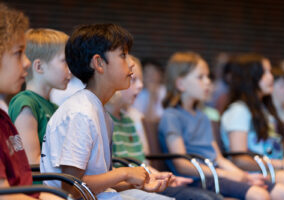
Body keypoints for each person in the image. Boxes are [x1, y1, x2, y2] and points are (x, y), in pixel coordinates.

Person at [40, 24, 174, 200]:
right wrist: (124, 173)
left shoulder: (99, 111)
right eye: (123, 55)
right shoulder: (81, 113)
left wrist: (141, 181)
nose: (131, 63)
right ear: (99, 63)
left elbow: (100, 183)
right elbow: (71, 187)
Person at [159, 51, 284, 199]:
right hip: (199, 179)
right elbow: (181, 164)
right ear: (180, 84)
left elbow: (218, 158)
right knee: (259, 194)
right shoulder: (171, 116)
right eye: (200, 77)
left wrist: (243, 176)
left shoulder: (202, 116)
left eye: (208, 76)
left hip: (216, 174)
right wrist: (226, 174)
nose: (208, 82)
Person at [106, 55, 223, 200]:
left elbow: (142, 162)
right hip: (128, 185)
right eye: (133, 79)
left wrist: (159, 176)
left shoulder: (130, 119)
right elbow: (114, 170)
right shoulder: (105, 120)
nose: (141, 86)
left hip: (144, 180)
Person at [0, 3, 63, 200]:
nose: (27, 62)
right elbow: (6, 195)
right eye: (18, 52)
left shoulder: (2, 116)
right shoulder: (24, 104)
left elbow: (24, 183)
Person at [220, 53, 284, 195]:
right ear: (250, 78)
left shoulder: (264, 109)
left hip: (273, 168)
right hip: (257, 172)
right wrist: (283, 164)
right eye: (265, 73)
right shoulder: (239, 111)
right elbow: (239, 159)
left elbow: (274, 151)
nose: (271, 77)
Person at [8, 28, 71, 165]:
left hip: (58, 182)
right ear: (39, 66)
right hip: (42, 185)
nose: (70, 68)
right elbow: (32, 163)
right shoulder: (25, 103)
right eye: (65, 61)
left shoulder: (55, 108)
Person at [133, 58, 166, 123]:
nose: (151, 76)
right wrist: (151, 96)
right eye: (147, 73)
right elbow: (146, 122)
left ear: (160, 75)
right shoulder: (137, 94)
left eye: (154, 72)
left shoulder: (165, 91)